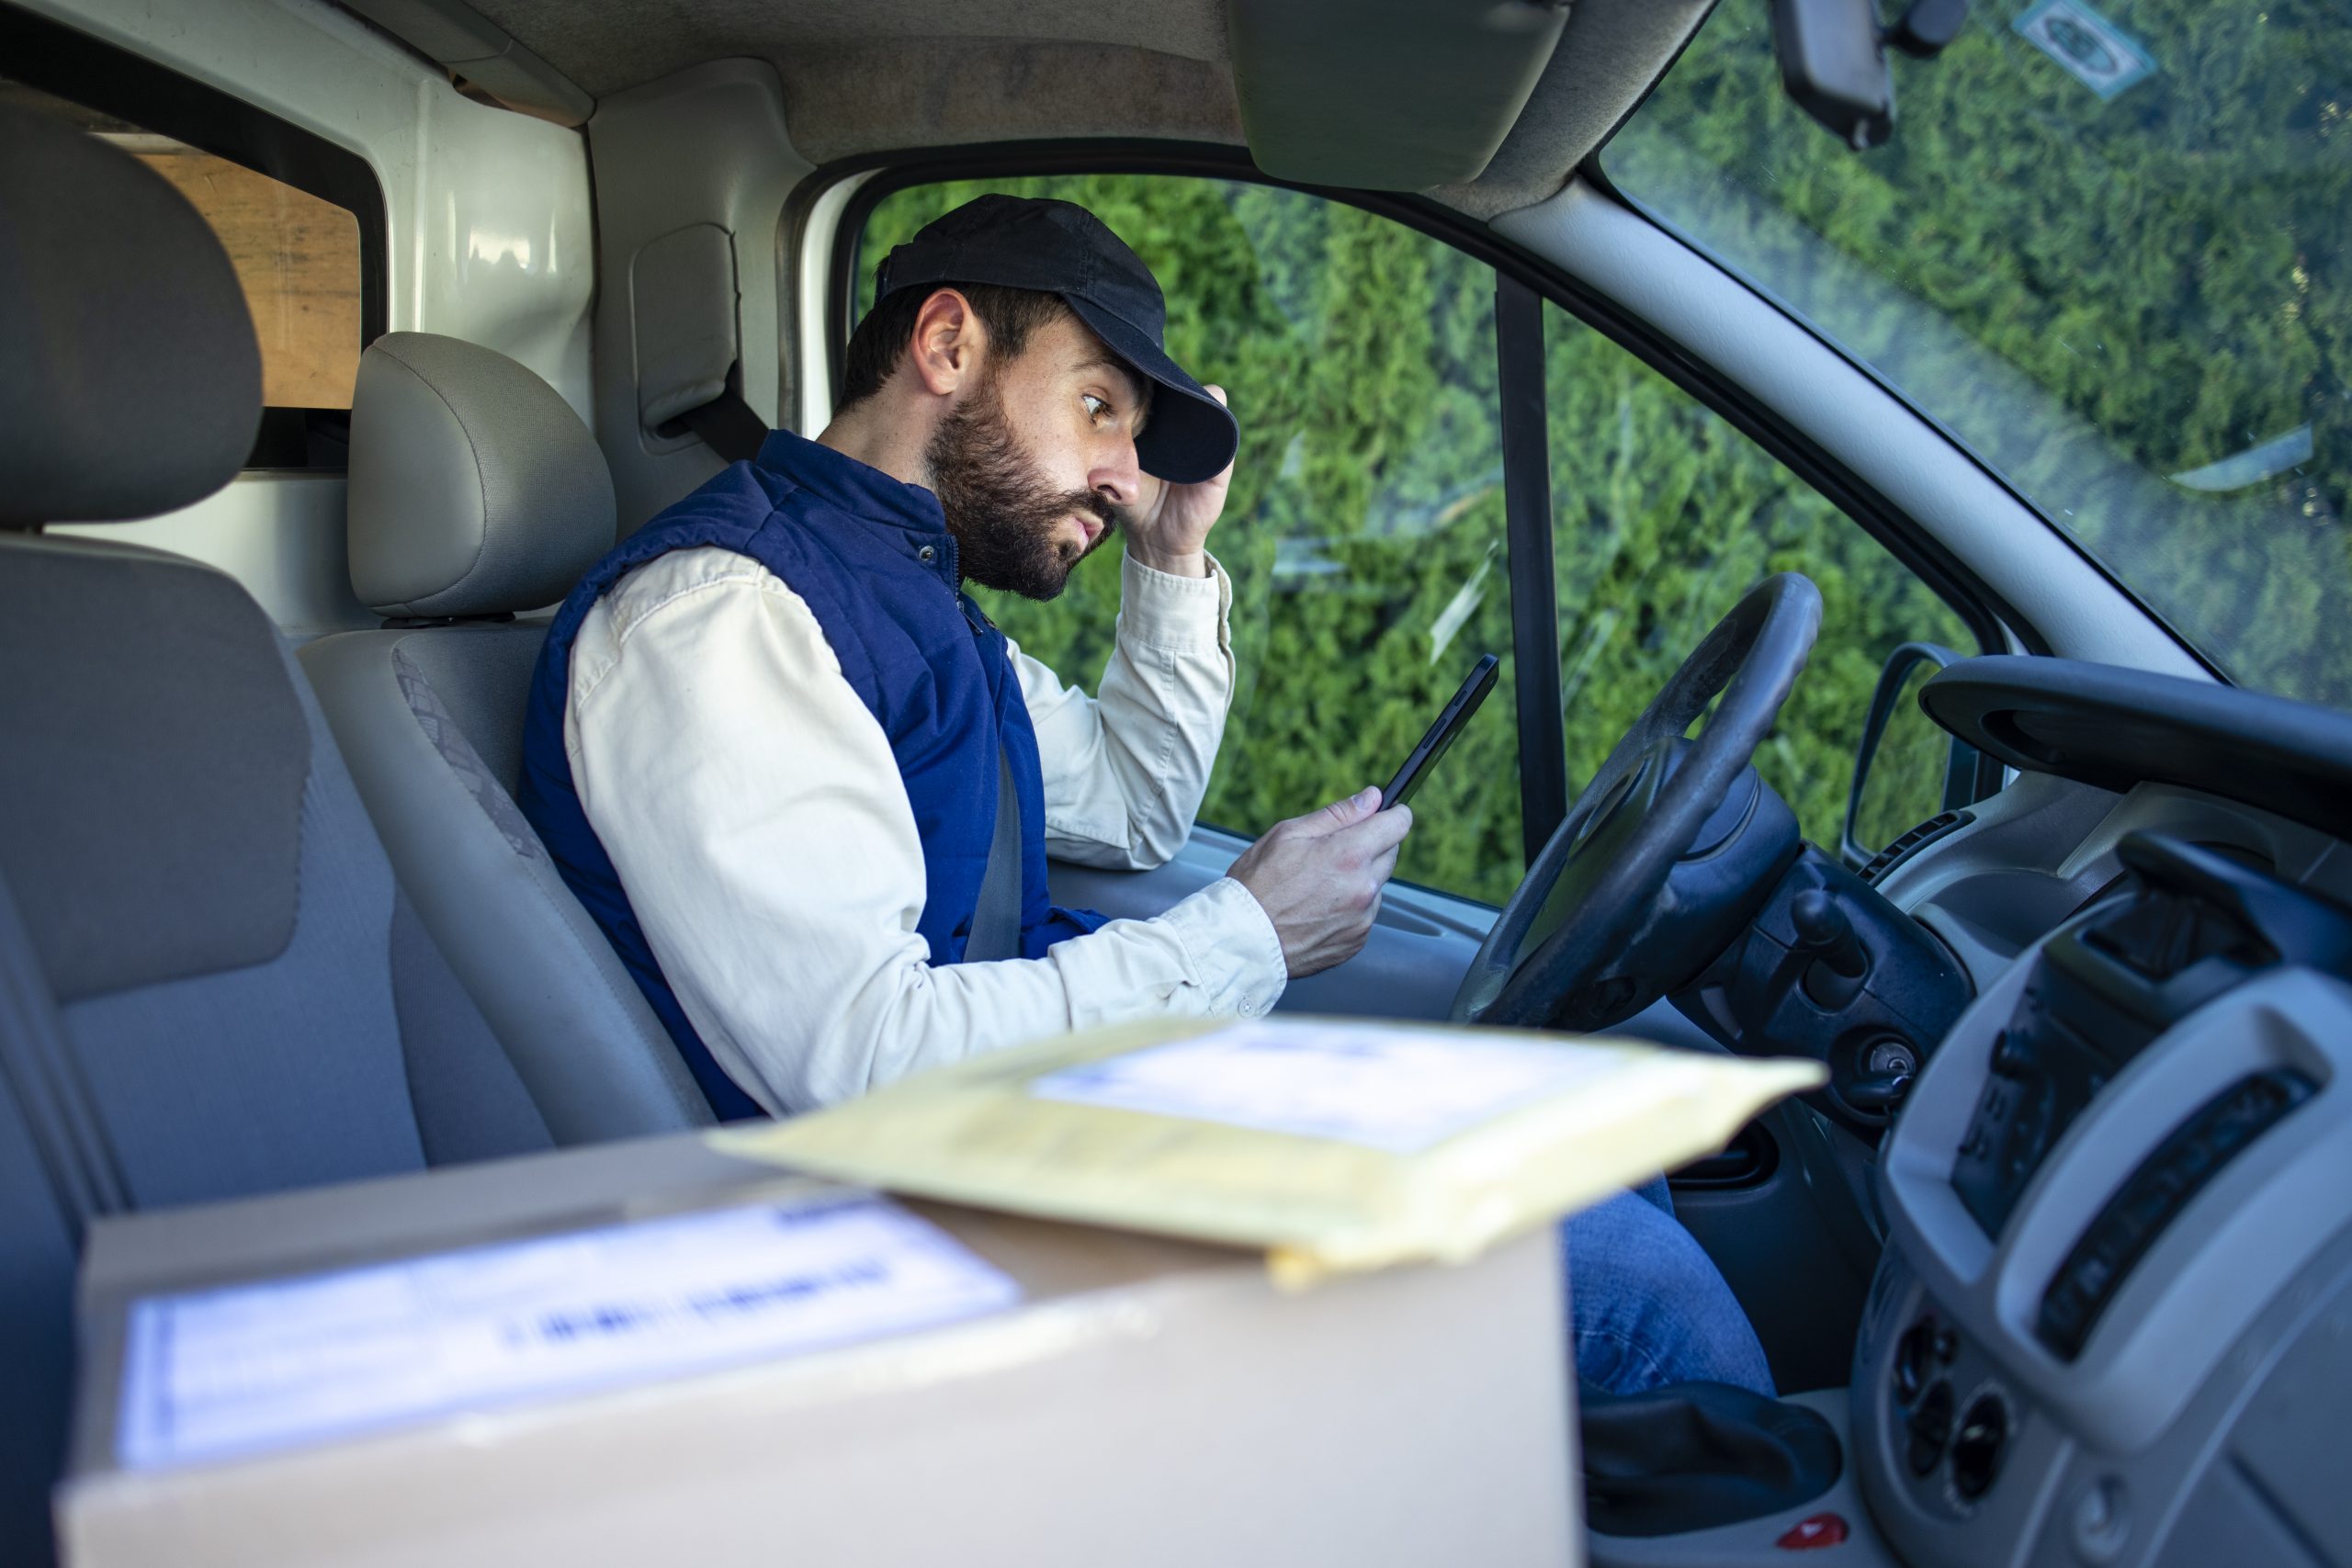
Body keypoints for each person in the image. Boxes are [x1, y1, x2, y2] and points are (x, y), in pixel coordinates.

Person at [517, 195, 1772, 1398]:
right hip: (908, 1238)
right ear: (947, 344)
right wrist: (1248, 934)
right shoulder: (720, 620)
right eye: (1098, 406)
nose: (1122, 478)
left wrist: (1175, 556)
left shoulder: (909, 597)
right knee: (1636, 1289)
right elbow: (865, 1068)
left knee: (1584, 1149)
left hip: (1030, 1152)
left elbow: (1130, 807)